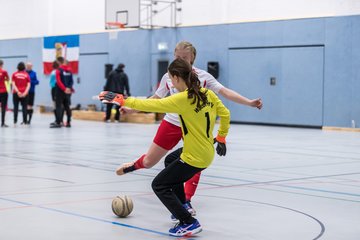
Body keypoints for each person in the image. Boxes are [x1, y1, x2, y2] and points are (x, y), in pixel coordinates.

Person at [116, 41, 262, 214]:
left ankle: (186, 202)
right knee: (149, 162)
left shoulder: (204, 77)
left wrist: (249, 103)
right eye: (177, 57)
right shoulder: (168, 76)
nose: (180, 60)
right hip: (172, 122)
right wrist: (132, 109)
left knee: (193, 163)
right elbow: (156, 99)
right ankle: (133, 165)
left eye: (184, 57)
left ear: (192, 57)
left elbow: (225, 92)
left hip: (193, 126)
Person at [99, 58, 230, 237]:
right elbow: (225, 113)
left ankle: (188, 222)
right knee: (169, 160)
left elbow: (152, 105)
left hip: (194, 157)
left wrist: (122, 100)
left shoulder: (182, 99)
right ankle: (183, 205)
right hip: (206, 151)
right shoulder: (207, 93)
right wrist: (221, 137)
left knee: (159, 185)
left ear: (176, 78)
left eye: (171, 79)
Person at [50, 57, 73, 128]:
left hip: (60, 91)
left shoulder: (58, 70)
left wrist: (64, 89)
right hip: (68, 91)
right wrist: (68, 88)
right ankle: (68, 122)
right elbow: (71, 81)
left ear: (60, 63)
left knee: (58, 106)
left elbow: (58, 81)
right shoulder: (69, 71)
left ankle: (58, 122)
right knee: (67, 106)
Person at [0, 59, 10, 127]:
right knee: (3, 107)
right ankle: (2, 123)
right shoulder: (4, 71)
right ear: (2, 64)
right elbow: (8, 79)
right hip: (3, 91)